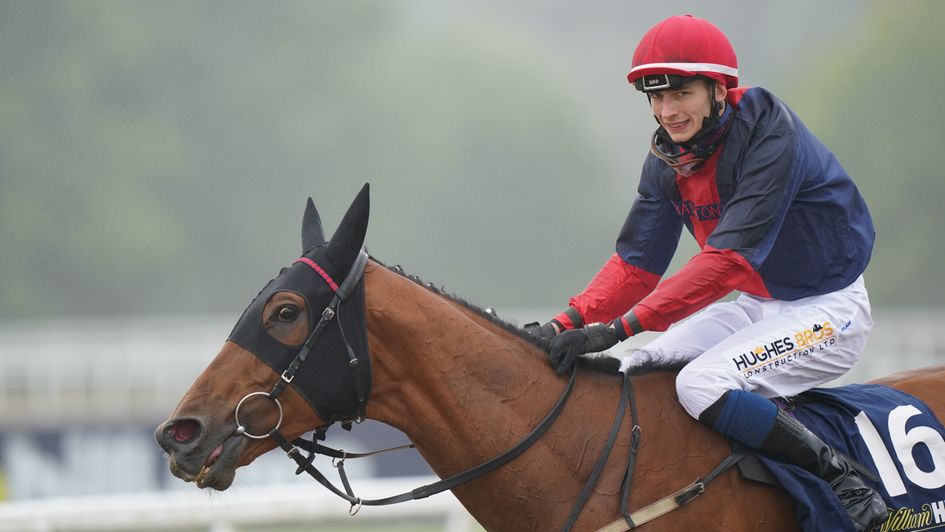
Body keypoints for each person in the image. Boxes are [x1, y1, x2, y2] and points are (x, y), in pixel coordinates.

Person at [532, 14, 887, 531]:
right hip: (757, 307)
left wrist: (617, 329)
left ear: (719, 88)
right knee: (640, 368)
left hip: (831, 310)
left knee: (700, 384)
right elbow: (635, 265)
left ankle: (842, 479)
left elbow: (726, 263)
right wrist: (566, 323)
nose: (666, 111)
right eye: (655, 97)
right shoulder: (667, 159)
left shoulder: (770, 134)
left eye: (680, 94)